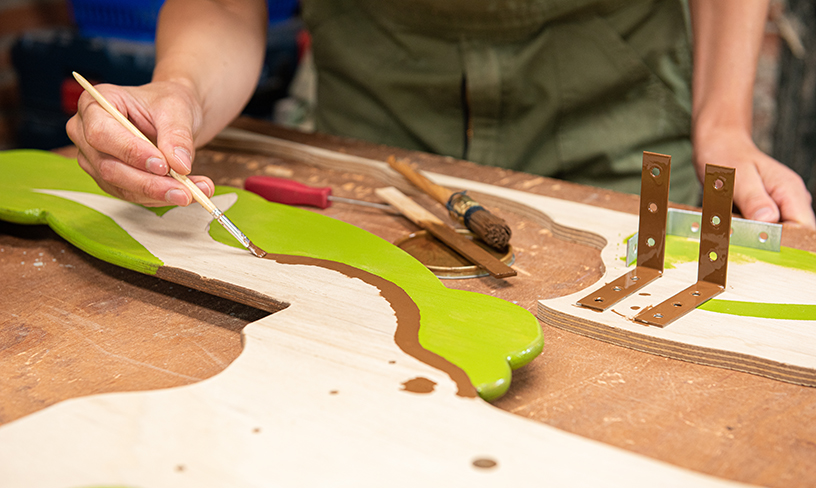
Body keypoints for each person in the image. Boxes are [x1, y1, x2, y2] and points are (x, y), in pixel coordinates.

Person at [67, 0, 816, 228]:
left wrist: (723, 123)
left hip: (621, 114)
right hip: (376, 143)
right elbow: (229, 6)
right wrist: (183, 93)